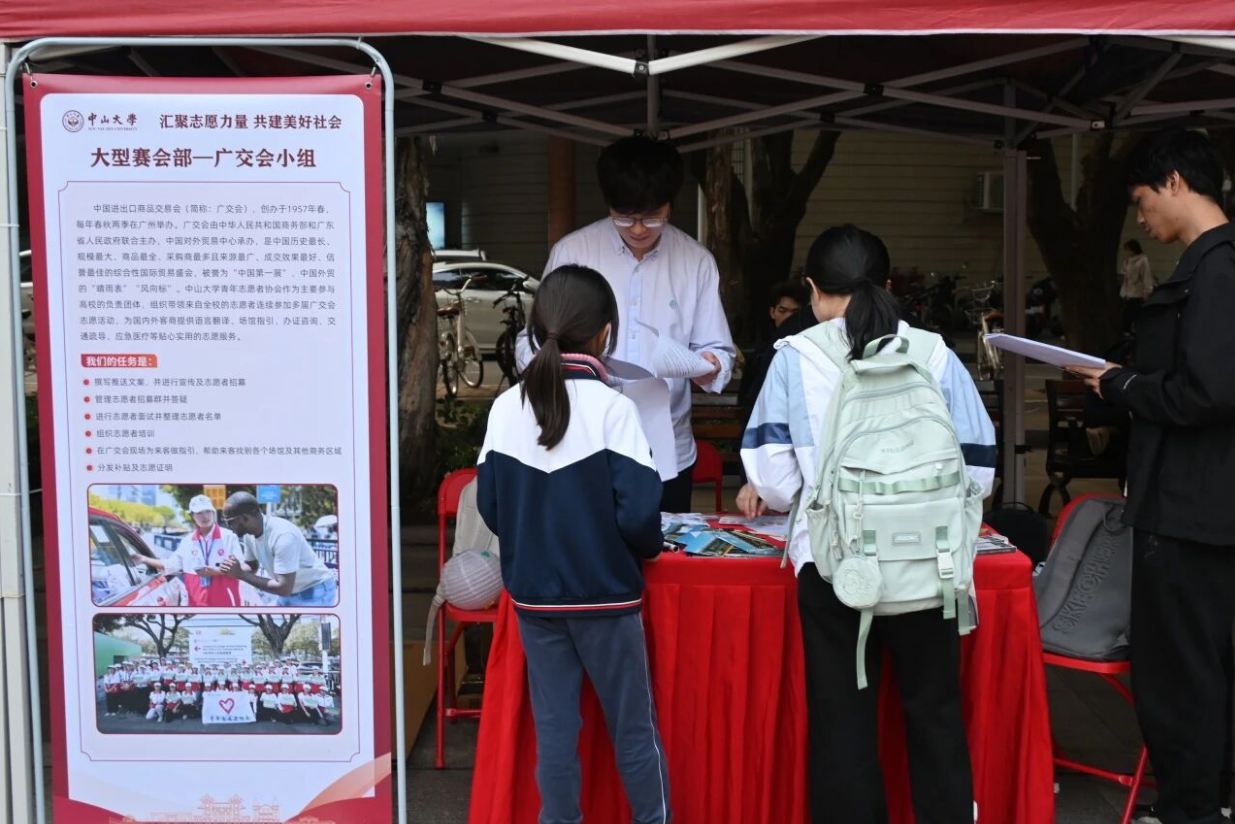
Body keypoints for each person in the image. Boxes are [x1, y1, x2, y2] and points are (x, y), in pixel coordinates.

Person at [738, 225, 996, 824]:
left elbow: (773, 484)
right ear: (888, 285)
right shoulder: (934, 352)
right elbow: (980, 473)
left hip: (834, 569)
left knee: (843, 722)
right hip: (931, 565)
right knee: (935, 714)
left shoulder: (794, 358)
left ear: (812, 290)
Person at [1070, 127, 1235, 824]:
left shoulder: (1217, 271)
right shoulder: (1213, 267)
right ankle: (1208, 799)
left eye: (1141, 200)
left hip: (1190, 504)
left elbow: (1207, 392)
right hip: (1204, 501)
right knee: (1205, 664)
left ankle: (1191, 808)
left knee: (1178, 670)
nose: (1140, 218)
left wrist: (1121, 384)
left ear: (1174, 181)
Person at [478, 265, 671, 824]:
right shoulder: (615, 408)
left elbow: (491, 507)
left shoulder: (505, 407)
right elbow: (640, 515)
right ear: (605, 334)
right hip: (607, 598)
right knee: (633, 731)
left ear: (536, 331)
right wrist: (647, 549)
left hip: (535, 599)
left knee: (556, 733)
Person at [515, 135, 737, 512]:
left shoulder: (695, 261)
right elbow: (530, 343)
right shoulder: (573, 252)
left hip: (665, 449)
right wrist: (557, 365)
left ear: (670, 203)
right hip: (581, 442)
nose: (637, 229)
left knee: (663, 545)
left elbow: (717, 350)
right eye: (624, 216)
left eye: (652, 216)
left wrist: (712, 365)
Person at [217, 492, 337, 607]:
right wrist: (229, 569)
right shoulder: (249, 534)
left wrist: (240, 574)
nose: (227, 526)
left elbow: (283, 588)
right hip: (290, 591)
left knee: (301, 624)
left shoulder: (283, 535)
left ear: (245, 518)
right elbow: (251, 566)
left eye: (229, 521)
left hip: (314, 589)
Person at [739, 280, 808, 430]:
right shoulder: (762, 353)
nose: (788, 318)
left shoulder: (810, 351)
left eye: (795, 313)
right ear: (772, 312)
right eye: (782, 311)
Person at [1120, 238, 1156, 332]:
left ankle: (1135, 331)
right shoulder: (1126, 261)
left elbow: (1146, 276)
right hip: (1127, 292)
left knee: (1134, 313)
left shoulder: (1142, 260)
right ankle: (1127, 331)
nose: (1128, 252)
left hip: (1137, 292)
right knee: (1127, 313)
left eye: (1129, 249)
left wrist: (1147, 291)